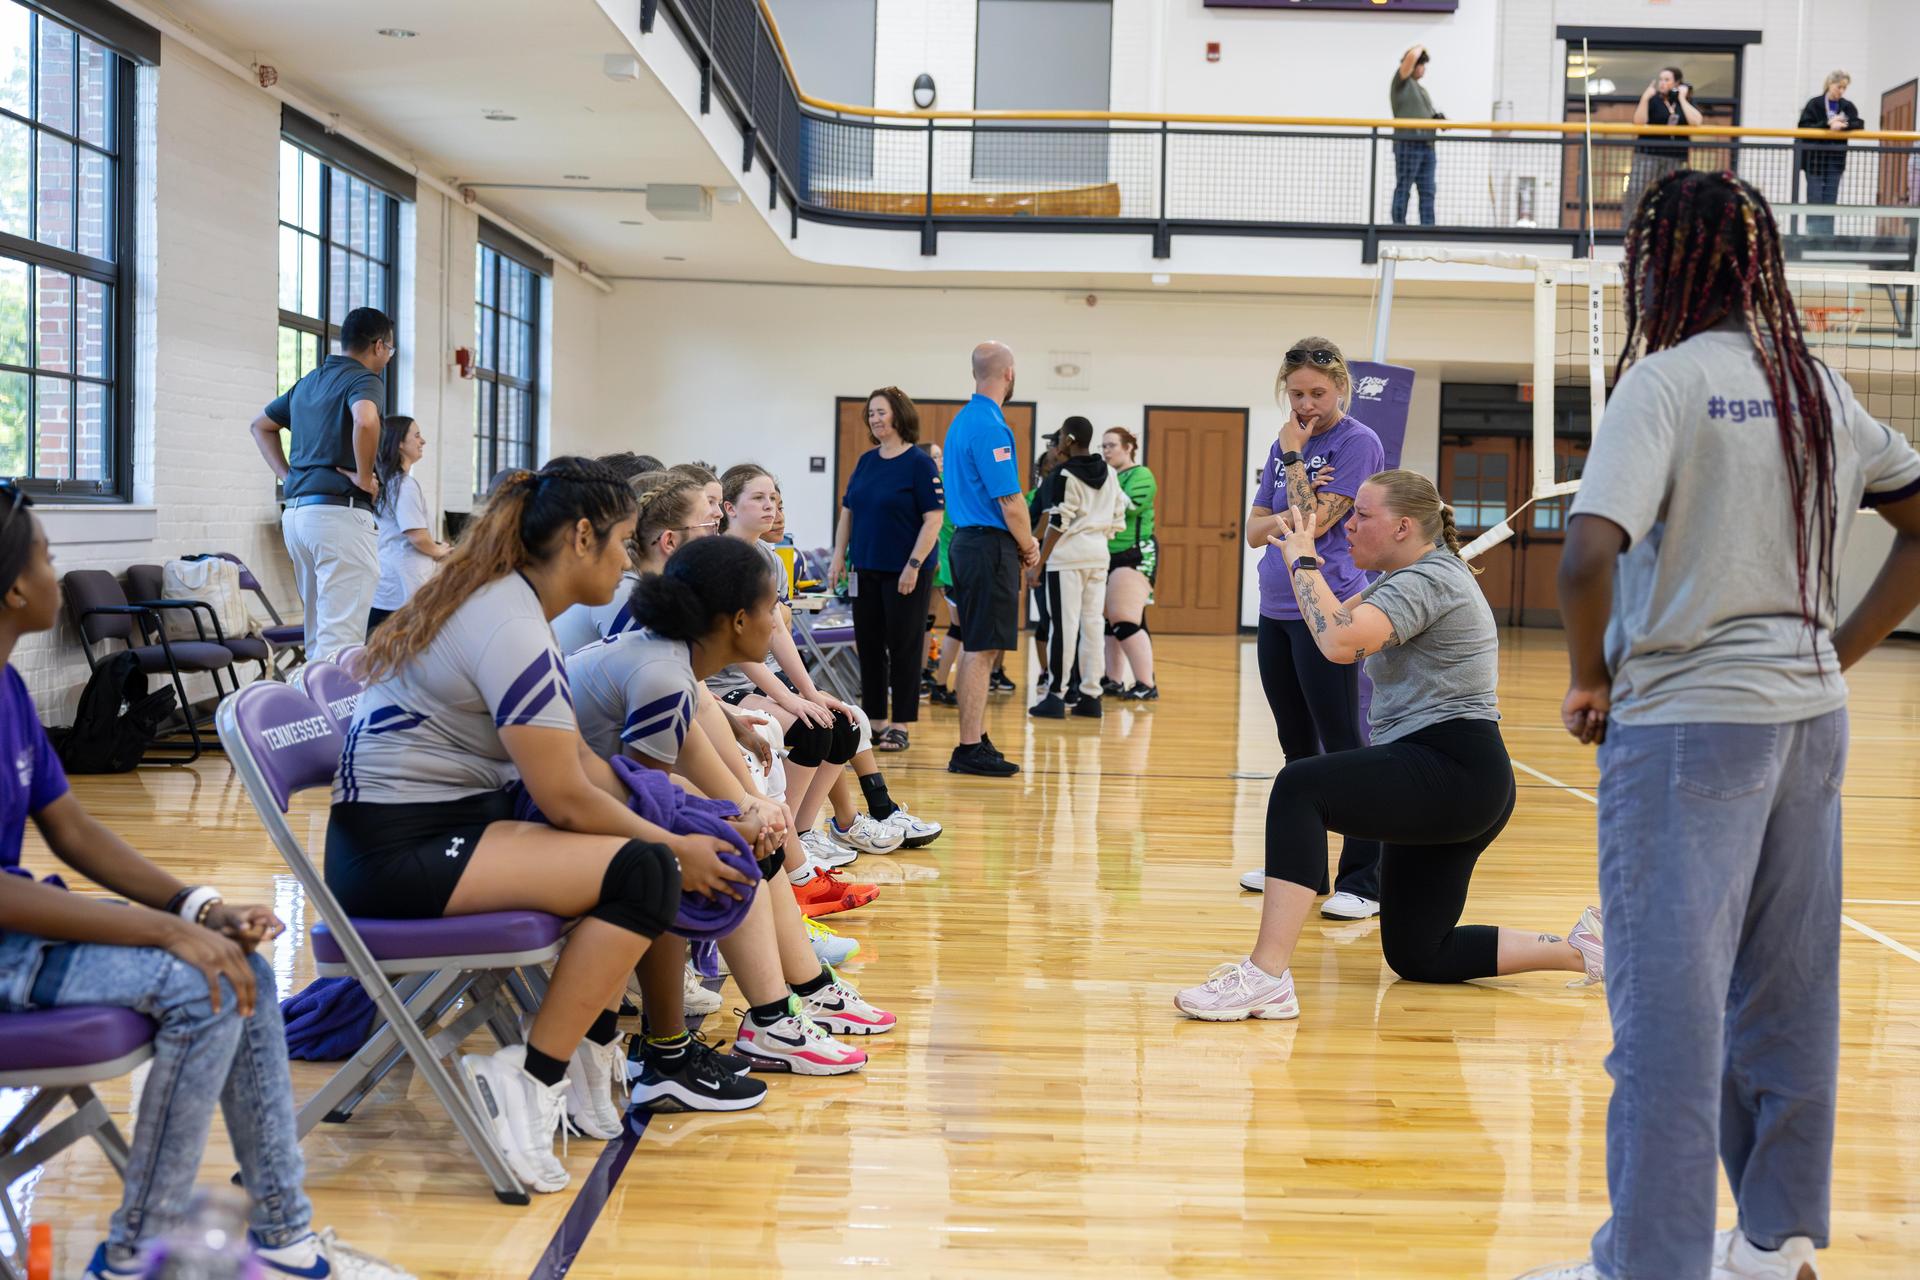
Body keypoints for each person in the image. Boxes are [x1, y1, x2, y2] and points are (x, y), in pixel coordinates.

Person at [1527, 171, 1920, 1280]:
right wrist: (1835, 648)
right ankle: (1774, 1237)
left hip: (1691, 724)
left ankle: (1644, 1262)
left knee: (1666, 1010)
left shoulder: (1663, 382)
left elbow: (1587, 552)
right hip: (1811, 720)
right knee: (1789, 990)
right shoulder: (1815, 386)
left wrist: (1588, 676)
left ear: (1662, 264)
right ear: (1757, 266)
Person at [0, 487, 413, 1279]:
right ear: (16, 589)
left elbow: (73, 829)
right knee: (204, 984)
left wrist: (199, 907)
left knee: (240, 966)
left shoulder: (10, 689)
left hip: (21, 937)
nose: (57, 571)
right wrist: (165, 931)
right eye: (48, 556)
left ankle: (284, 1239)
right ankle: (139, 1257)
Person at [329, 456, 755, 1192]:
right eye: (623, 541)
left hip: (448, 827)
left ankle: (586, 1051)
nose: (630, 559)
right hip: (398, 853)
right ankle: (527, 1077)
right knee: (642, 869)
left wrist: (662, 811)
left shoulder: (515, 606)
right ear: (582, 539)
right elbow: (562, 795)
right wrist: (670, 841)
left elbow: (580, 767)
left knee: (640, 848)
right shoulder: (507, 619)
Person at [1175, 469, 1603, 1023]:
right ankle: (1580, 950)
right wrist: (1298, 558)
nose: (1348, 526)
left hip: (1451, 767)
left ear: (1403, 527)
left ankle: (1266, 976)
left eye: (1362, 516)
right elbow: (1331, 623)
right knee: (1419, 952)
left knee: (1300, 785)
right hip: (1457, 780)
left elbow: (1336, 641)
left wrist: (1304, 559)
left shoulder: (1428, 580)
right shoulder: (1405, 580)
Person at [567, 522, 889, 1087]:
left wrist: (746, 806)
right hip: (546, 818)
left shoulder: (674, 660)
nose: (779, 621)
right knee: (717, 842)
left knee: (740, 826)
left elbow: (685, 750)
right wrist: (734, 821)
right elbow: (648, 801)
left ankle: (794, 998)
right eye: (772, 608)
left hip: (585, 803)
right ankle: (763, 1020)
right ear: (737, 621)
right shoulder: (663, 672)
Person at [1237, 338, 1387, 920]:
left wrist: (1295, 457)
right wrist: (1289, 472)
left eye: (1317, 393)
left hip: (1326, 608)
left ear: (1341, 388)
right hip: (1275, 607)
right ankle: (1301, 871)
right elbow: (1254, 529)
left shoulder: (1356, 443)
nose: (1306, 404)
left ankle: (1364, 879)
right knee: (1296, 748)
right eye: (1296, 393)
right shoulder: (1284, 442)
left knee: (1345, 744)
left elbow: (1314, 522)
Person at [250, 306, 393, 661]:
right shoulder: (363, 379)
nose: (388, 358)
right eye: (390, 350)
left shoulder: (308, 382)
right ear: (378, 345)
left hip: (298, 515)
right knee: (342, 640)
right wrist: (362, 476)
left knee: (318, 636)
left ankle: (311, 712)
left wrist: (289, 477)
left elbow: (260, 426)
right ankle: (334, 716)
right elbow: (366, 419)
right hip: (337, 517)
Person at [943, 341, 1040, 777]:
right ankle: (968, 747)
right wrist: (1031, 545)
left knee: (978, 644)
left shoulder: (963, 422)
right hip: (987, 545)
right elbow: (1011, 500)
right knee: (981, 649)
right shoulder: (989, 425)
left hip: (969, 541)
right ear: (1009, 374)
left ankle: (976, 736)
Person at [828, 387, 944, 752]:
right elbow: (848, 511)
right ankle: (875, 721)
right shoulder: (866, 461)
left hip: (905, 572)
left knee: (905, 646)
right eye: (871, 414)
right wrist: (837, 556)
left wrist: (913, 565)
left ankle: (901, 723)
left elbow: (933, 520)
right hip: (864, 569)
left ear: (899, 415)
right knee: (869, 645)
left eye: (881, 412)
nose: (875, 419)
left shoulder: (919, 463)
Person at [1027, 418, 1129, 720]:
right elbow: (1118, 518)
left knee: (1064, 627)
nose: (1056, 442)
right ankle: (1090, 697)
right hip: (1099, 556)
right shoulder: (1110, 473)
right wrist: (1096, 538)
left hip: (1067, 559)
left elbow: (1058, 522)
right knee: (1093, 626)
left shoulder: (1062, 474)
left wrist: (1039, 563)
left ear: (1069, 440)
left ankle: (1056, 696)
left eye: (1058, 436)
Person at [368, 415, 449, 633]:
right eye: (417, 435)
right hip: (404, 584)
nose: (422, 441)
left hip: (390, 582)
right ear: (400, 444)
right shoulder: (404, 485)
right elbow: (417, 536)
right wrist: (440, 551)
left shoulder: (389, 483)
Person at [1099, 427, 1158, 700]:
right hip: (1108, 554)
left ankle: (1147, 684)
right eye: (1103, 446)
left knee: (1124, 620)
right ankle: (1113, 680)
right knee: (1111, 621)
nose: (1106, 451)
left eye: (1111, 445)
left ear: (1128, 447)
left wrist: (1104, 485)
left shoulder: (1141, 475)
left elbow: (1131, 507)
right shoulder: (1109, 475)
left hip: (1135, 553)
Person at [1623, 67, 1701, 223]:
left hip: (1675, 156)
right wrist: (1644, 98)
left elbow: (1696, 121)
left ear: (1677, 83)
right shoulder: (1653, 100)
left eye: (1667, 80)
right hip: (1648, 154)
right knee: (1637, 190)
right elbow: (1639, 122)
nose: (1662, 83)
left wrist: (1682, 99)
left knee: (1672, 192)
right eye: (1661, 79)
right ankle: (1630, 225)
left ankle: (1667, 225)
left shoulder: (1685, 102)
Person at [1797, 70, 1865, 237]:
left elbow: (1859, 123)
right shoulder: (1815, 104)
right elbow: (1804, 126)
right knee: (1815, 197)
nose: (1841, 91)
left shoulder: (1847, 105)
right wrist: (1827, 124)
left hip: (1835, 160)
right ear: (1829, 84)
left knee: (1830, 198)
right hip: (1815, 160)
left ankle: (1827, 237)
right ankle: (1812, 236)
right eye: (1838, 86)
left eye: (1844, 88)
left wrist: (1844, 125)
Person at [1389, 45, 1442, 227]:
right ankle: (1398, 225)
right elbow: (1411, 57)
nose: (1424, 69)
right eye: (1422, 65)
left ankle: (1428, 227)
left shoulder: (1422, 90)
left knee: (1428, 190)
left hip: (1427, 145)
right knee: (1404, 187)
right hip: (1408, 143)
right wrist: (1420, 47)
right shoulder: (1401, 82)